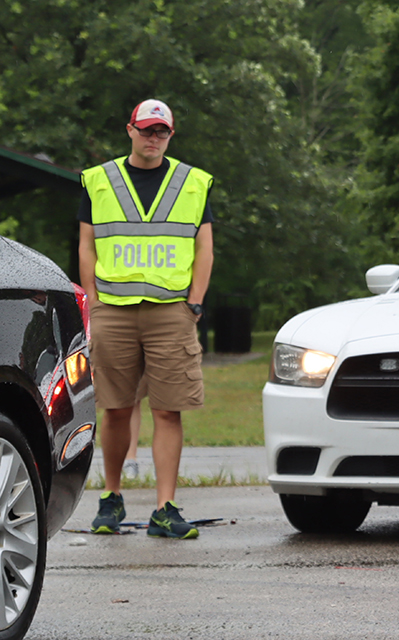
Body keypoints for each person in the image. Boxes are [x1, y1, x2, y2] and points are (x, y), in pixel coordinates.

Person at [78, 98, 214, 539]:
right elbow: (87, 245)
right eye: (147, 130)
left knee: (168, 410)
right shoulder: (99, 180)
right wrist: (93, 303)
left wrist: (194, 301)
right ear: (130, 130)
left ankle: (165, 507)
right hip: (113, 311)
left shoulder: (193, 182)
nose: (154, 138)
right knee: (115, 410)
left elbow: (204, 247)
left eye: (162, 132)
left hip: (170, 312)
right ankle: (111, 498)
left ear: (170, 135)